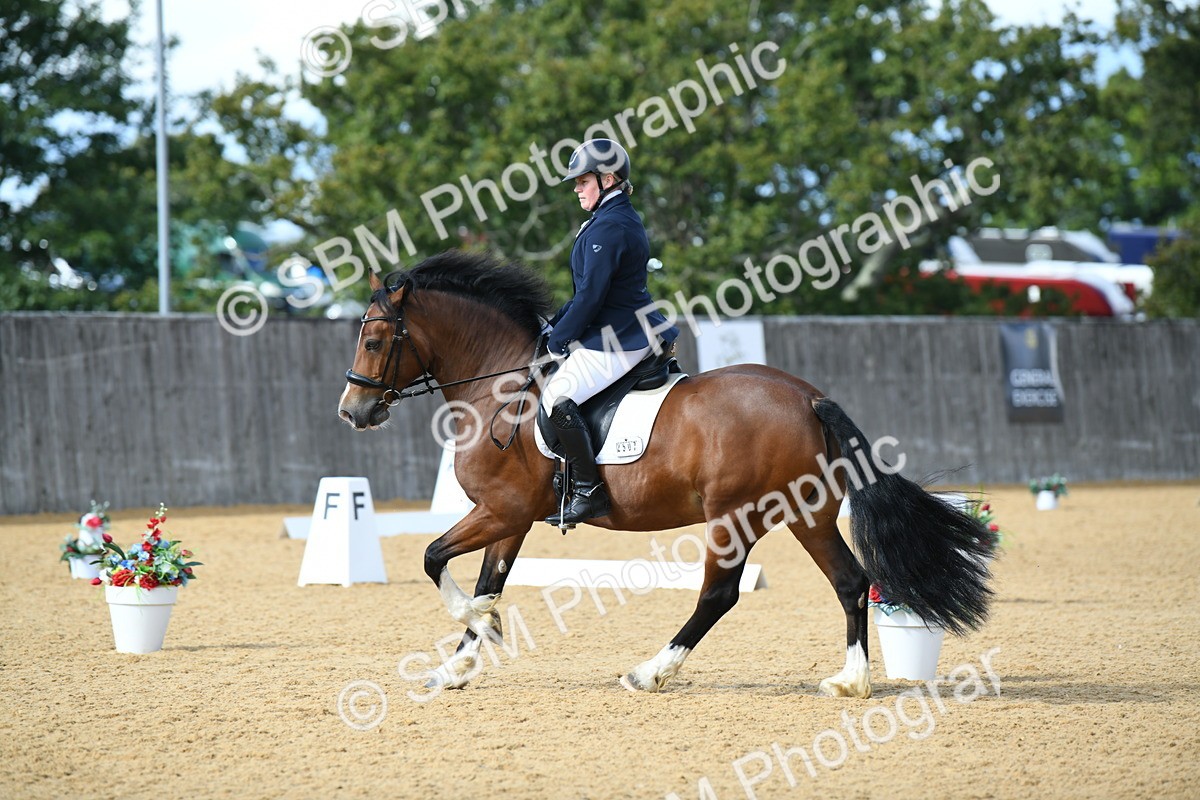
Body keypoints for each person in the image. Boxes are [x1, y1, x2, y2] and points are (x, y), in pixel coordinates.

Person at [542, 138, 680, 526]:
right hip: (622, 328)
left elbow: (591, 297)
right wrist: (554, 324)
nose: (576, 188)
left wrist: (558, 340)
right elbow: (582, 292)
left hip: (621, 337)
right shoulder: (609, 219)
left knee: (557, 398)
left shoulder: (611, 226)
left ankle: (589, 492)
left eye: (582, 181)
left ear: (607, 179)